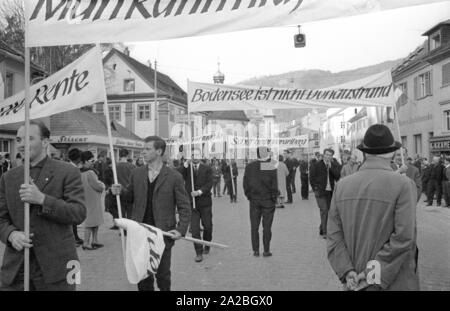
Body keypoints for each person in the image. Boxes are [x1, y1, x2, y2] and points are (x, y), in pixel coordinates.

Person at [327, 124, 419, 291]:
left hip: (353, 279)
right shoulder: (404, 184)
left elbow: (333, 235)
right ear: (392, 152)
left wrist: (347, 271)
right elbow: (404, 238)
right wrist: (371, 273)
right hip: (392, 281)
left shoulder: (341, 186)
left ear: (365, 152)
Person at [0, 120, 86, 291]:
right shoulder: (8, 178)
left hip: (58, 268)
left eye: (29, 139)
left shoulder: (68, 172)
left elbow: (78, 213)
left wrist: (42, 200)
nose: (22, 145)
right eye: (18, 140)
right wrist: (11, 235)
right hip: (16, 269)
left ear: (45, 142)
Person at [111, 136, 191, 291]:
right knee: (143, 277)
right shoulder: (137, 173)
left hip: (163, 233)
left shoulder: (174, 176)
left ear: (159, 151)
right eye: (143, 149)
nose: (143, 152)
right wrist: (119, 192)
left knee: (163, 276)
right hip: (139, 233)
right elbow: (130, 197)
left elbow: (184, 206)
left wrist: (180, 230)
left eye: (147, 149)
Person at [179, 148, 213, 263]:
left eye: (197, 154)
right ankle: (198, 252)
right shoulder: (187, 169)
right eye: (193, 154)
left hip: (205, 203)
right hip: (191, 204)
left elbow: (209, 184)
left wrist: (199, 192)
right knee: (194, 230)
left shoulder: (207, 168)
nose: (195, 156)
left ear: (201, 155)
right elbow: (178, 176)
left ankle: (207, 244)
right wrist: (184, 165)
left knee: (207, 226)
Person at [243, 146, 278, 257]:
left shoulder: (249, 167)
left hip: (254, 201)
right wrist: (274, 198)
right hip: (268, 201)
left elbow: (245, 185)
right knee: (267, 227)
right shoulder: (270, 165)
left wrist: (249, 196)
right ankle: (266, 250)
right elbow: (274, 185)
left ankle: (256, 250)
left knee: (254, 227)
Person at [309, 148, 340, 239]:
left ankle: (322, 228)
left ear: (332, 157)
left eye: (330, 155)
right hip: (320, 192)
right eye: (326, 154)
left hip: (330, 192)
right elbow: (312, 178)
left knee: (329, 211)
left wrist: (331, 167)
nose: (328, 157)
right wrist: (315, 189)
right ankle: (325, 232)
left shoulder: (334, 165)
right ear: (323, 155)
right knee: (324, 210)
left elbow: (337, 176)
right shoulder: (316, 165)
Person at [79, 151, 105, 250]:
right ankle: (87, 242)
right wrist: (102, 185)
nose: (93, 162)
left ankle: (94, 241)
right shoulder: (90, 172)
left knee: (93, 220)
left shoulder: (79, 171)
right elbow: (97, 185)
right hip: (93, 198)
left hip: (85, 198)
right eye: (91, 160)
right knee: (91, 221)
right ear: (86, 161)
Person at [67, 148, 84, 246]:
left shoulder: (68, 167)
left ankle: (76, 236)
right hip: (71, 197)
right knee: (72, 220)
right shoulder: (73, 169)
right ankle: (73, 238)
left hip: (71, 197)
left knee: (73, 220)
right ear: (78, 159)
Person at [116, 149, 135, 219]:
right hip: (130, 192)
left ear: (119, 155)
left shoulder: (115, 166)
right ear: (127, 155)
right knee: (130, 213)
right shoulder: (132, 166)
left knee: (121, 213)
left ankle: (123, 229)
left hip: (119, 191)